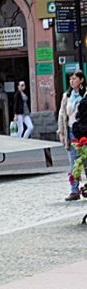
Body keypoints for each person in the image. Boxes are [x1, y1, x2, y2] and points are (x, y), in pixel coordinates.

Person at [58, 71, 86, 201]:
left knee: (86, 161)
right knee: (74, 162)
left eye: (74, 78)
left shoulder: (85, 94)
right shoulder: (67, 96)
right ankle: (74, 190)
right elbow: (62, 114)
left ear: (81, 80)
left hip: (84, 132)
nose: (72, 81)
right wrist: (61, 132)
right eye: (70, 79)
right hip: (71, 131)